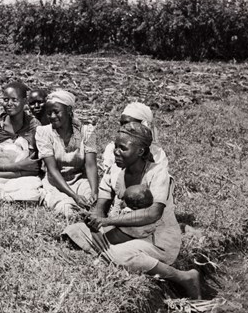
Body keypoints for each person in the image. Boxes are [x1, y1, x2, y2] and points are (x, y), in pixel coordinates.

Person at [63, 123, 202, 299]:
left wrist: (108, 222)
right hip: (122, 231)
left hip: (156, 239)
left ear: (141, 152)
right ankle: (109, 253)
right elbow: (101, 206)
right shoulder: (114, 170)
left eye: (123, 148)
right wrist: (94, 219)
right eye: (115, 146)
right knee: (74, 231)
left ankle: (185, 277)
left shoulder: (158, 174)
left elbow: (153, 214)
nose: (116, 152)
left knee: (120, 256)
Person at [35, 90, 98, 218]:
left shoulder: (86, 132)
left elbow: (91, 165)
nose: (52, 116)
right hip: (56, 183)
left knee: (95, 205)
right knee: (67, 209)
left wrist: (94, 191)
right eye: (49, 113)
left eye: (56, 112)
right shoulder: (43, 133)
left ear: (69, 110)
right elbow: (52, 169)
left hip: (80, 181)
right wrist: (73, 196)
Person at [102, 102, 167, 173]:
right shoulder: (112, 150)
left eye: (128, 124)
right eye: (122, 124)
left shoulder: (157, 155)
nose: (123, 128)